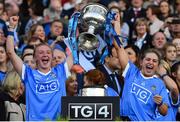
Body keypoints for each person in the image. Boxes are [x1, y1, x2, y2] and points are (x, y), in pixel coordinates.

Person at [6, 16, 67, 121]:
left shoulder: (61, 71)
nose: (45, 54)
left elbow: (76, 53)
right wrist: (11, 28)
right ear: (34, 58)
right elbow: (11, 52)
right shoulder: (28, 74)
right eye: (41, 52)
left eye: (48, 52)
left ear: (52, 57)